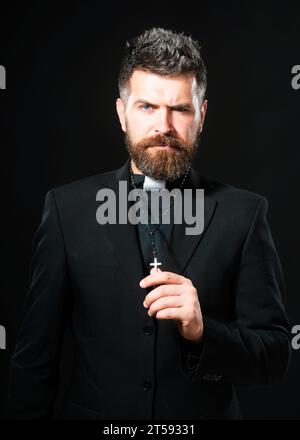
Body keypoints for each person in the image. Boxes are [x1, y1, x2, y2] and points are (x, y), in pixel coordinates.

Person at [6, 27, 291, 420]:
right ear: (122, 113)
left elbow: (275, 356)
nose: (164, 126)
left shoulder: (246, 214)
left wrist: (204, 331)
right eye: (147, 107)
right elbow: (35, 363)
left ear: (202, 115)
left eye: (180, 109)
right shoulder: (65, 209)